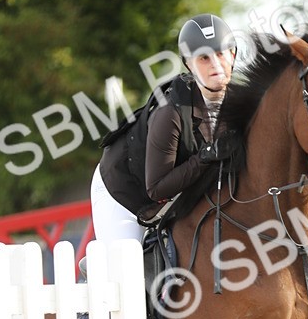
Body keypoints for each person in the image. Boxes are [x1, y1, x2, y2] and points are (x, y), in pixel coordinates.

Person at [91, 13, 239, 243]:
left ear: (233, 54)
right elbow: (157, 188)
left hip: (178, 198)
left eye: (220, 54)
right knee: (129, 268)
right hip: (125, 192)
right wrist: (206, 157)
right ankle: (100, 267)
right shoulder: (170, 113)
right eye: (203, 59)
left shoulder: (241, 104)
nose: (216, 65)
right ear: (189, 64)